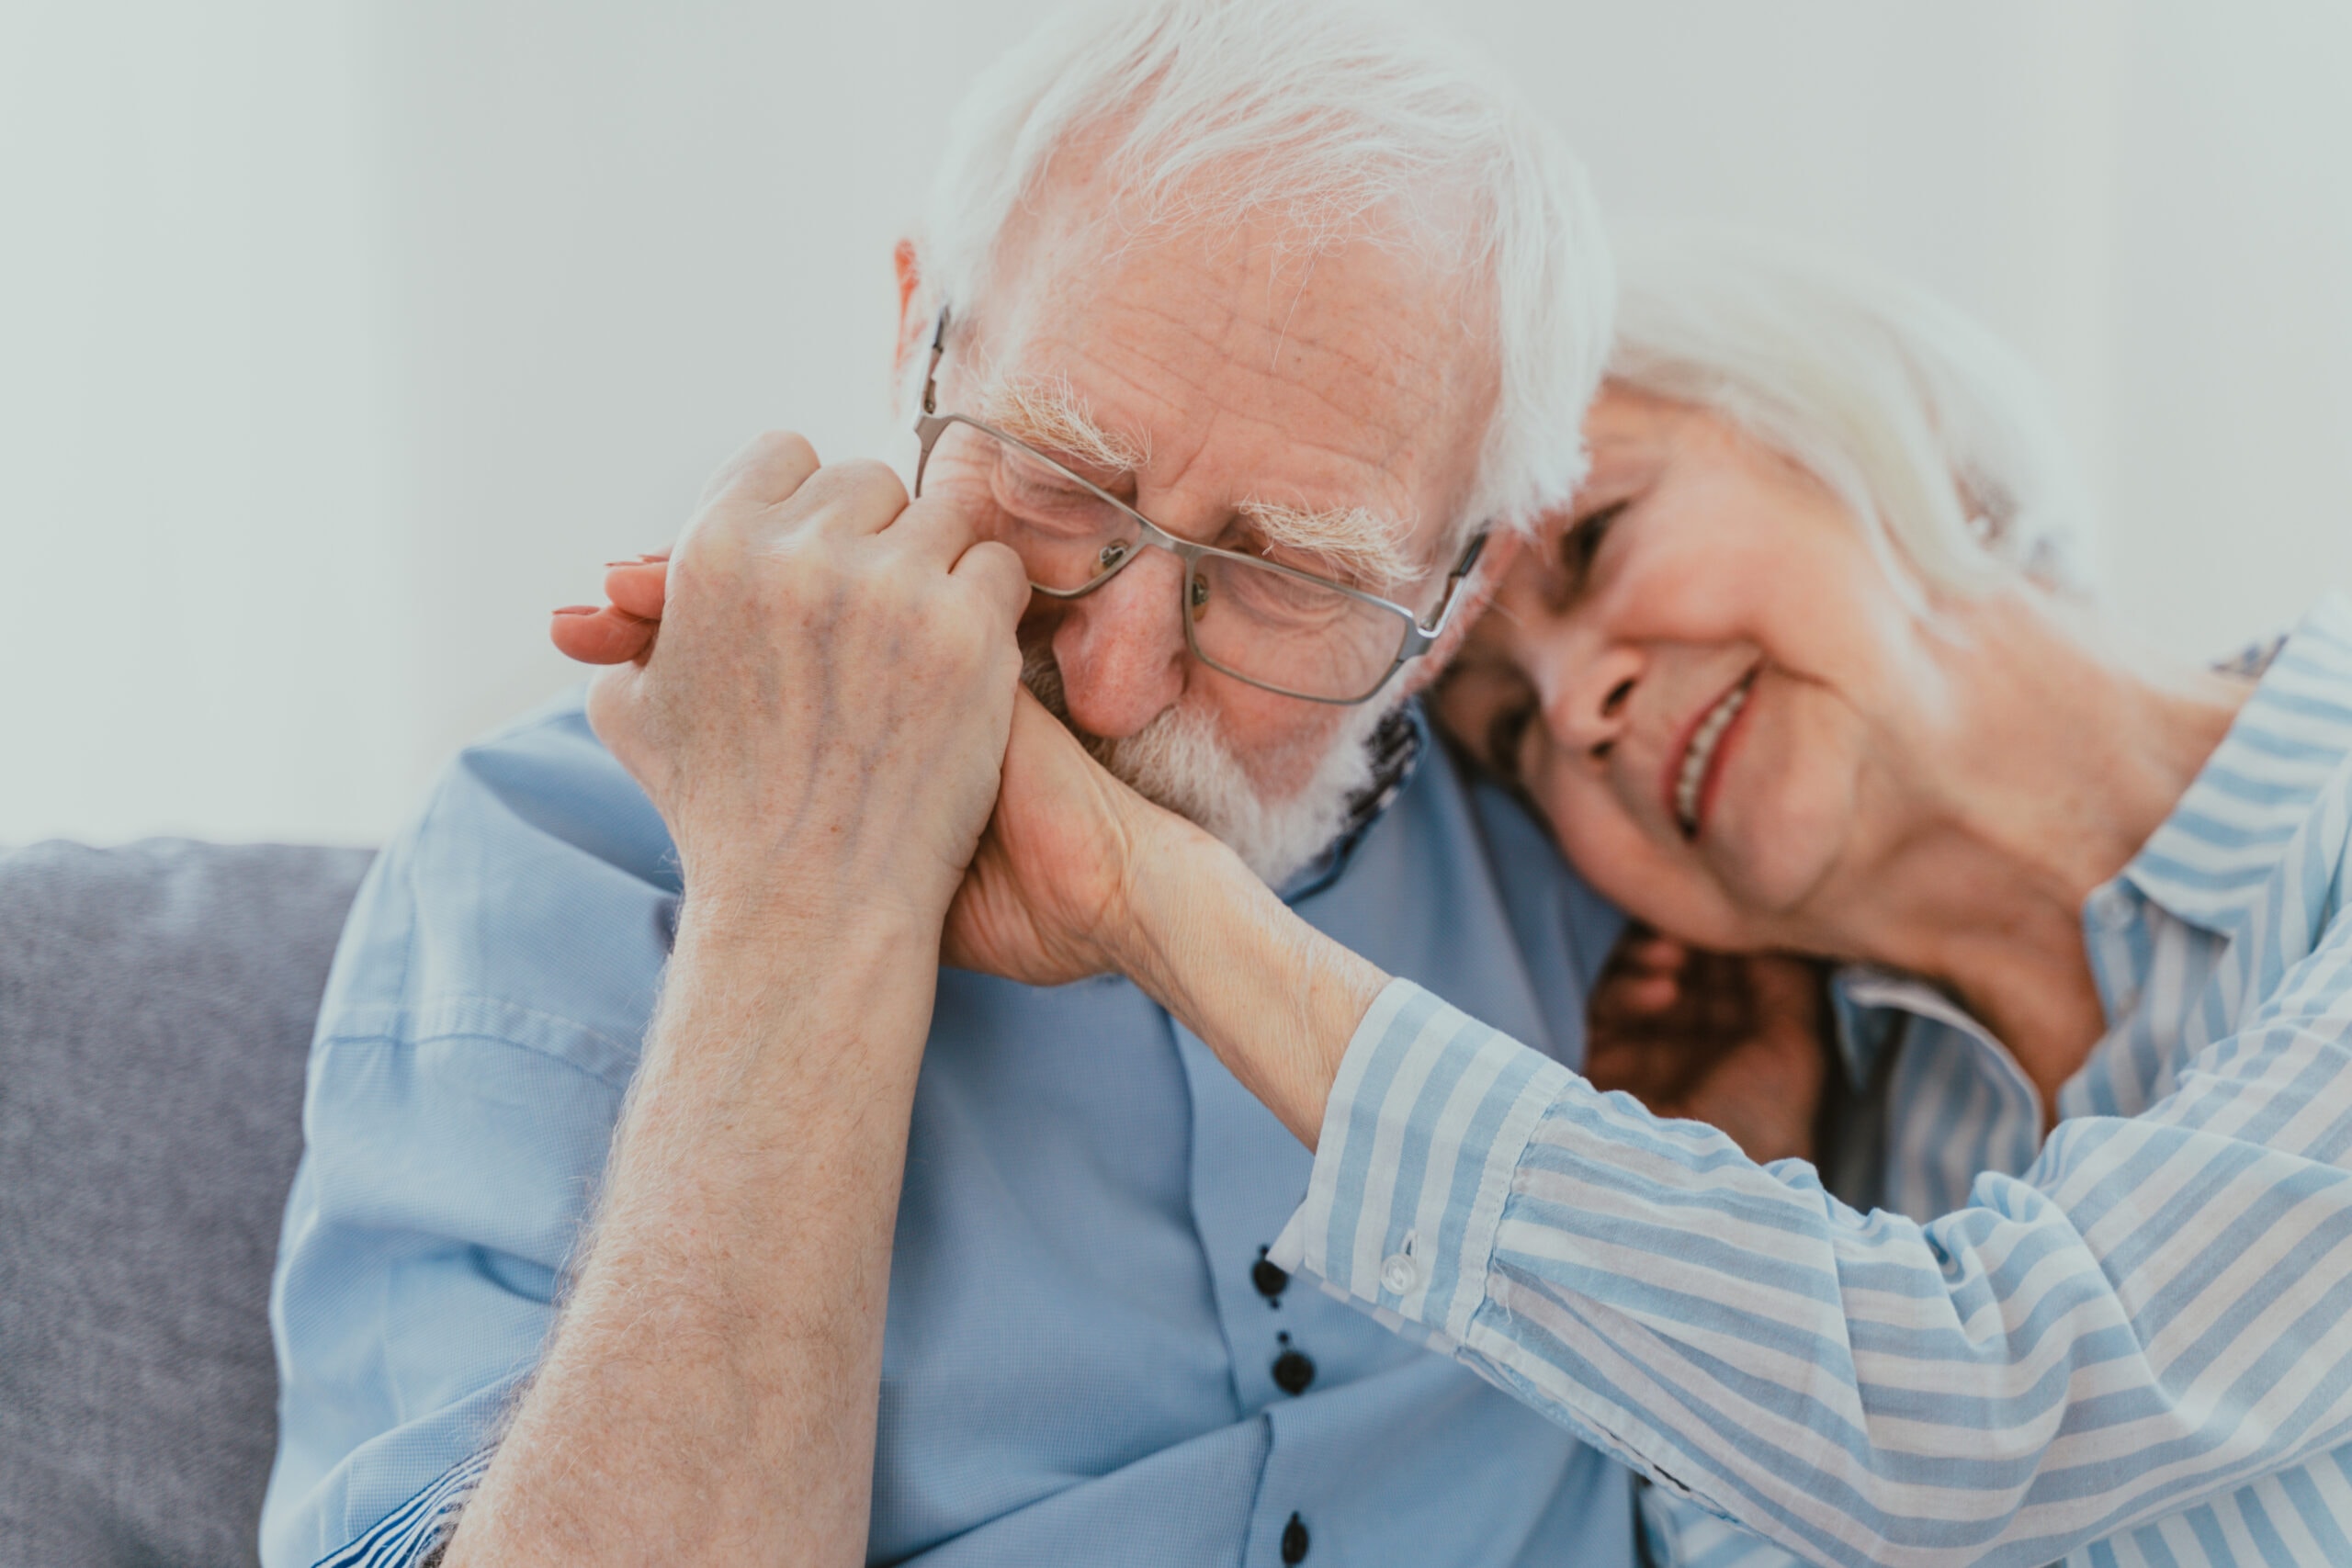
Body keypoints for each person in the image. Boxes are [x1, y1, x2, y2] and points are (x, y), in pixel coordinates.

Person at [581, 230, 2352, 1566]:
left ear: (1839, 418)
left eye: (1596, 544)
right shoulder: (1883, 1125)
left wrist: (1139, 884)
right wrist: (1751, 1160)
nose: (1578, 708)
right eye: (1507, 732)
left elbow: (1979, 1404)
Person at [255, 4, 1698, 1566]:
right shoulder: (553, 868)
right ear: (912, 339)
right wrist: (801, 901)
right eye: (1063, 482)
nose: (1114, 675)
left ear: (1459, 597)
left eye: (1285, 575)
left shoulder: (1599, 870)